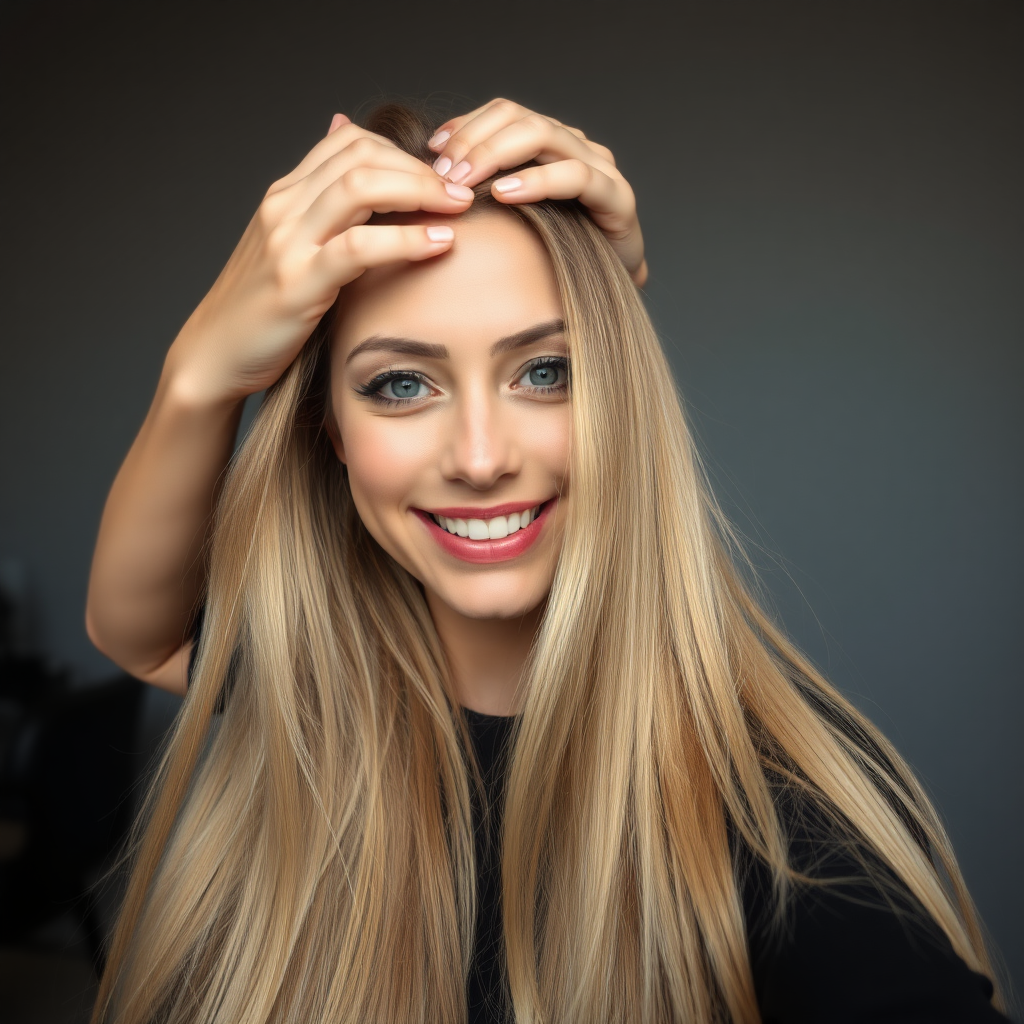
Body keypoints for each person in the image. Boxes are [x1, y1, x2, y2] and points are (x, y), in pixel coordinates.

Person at [85, 98, 1010, 1024]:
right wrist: (201, 368)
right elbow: (136, 628)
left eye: (547, 371)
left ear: (617, 394)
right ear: (331, 431)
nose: (482, 458)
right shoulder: (315, 690)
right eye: (401, 384)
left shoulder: (776, 815)